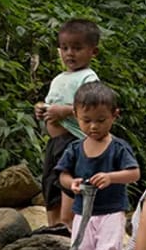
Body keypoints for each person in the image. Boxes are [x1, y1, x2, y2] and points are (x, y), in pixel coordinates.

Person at [56, 83, 140, 250]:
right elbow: (62, 175)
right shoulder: (75, 148)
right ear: (75, 115)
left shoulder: (118, 147)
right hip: (82, 212)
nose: (93, 126)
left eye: (101, 120)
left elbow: (134, 173)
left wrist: (111, 177)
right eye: (86, 120)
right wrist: (72, 184)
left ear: (114, 115)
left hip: (111, 211)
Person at [34, 19, 100, 225]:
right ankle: (52, 227)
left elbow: (94, 107)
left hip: (74, 142)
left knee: (68, 183)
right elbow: (50, 104)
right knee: (50, 183)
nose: (70, 53)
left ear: (93, 52)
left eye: (77, 48)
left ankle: (68, 225)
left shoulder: (88, 78)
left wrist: (64, 111)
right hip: (55, 144)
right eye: (65, 48)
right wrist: (41, 110)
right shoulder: (59, 78)